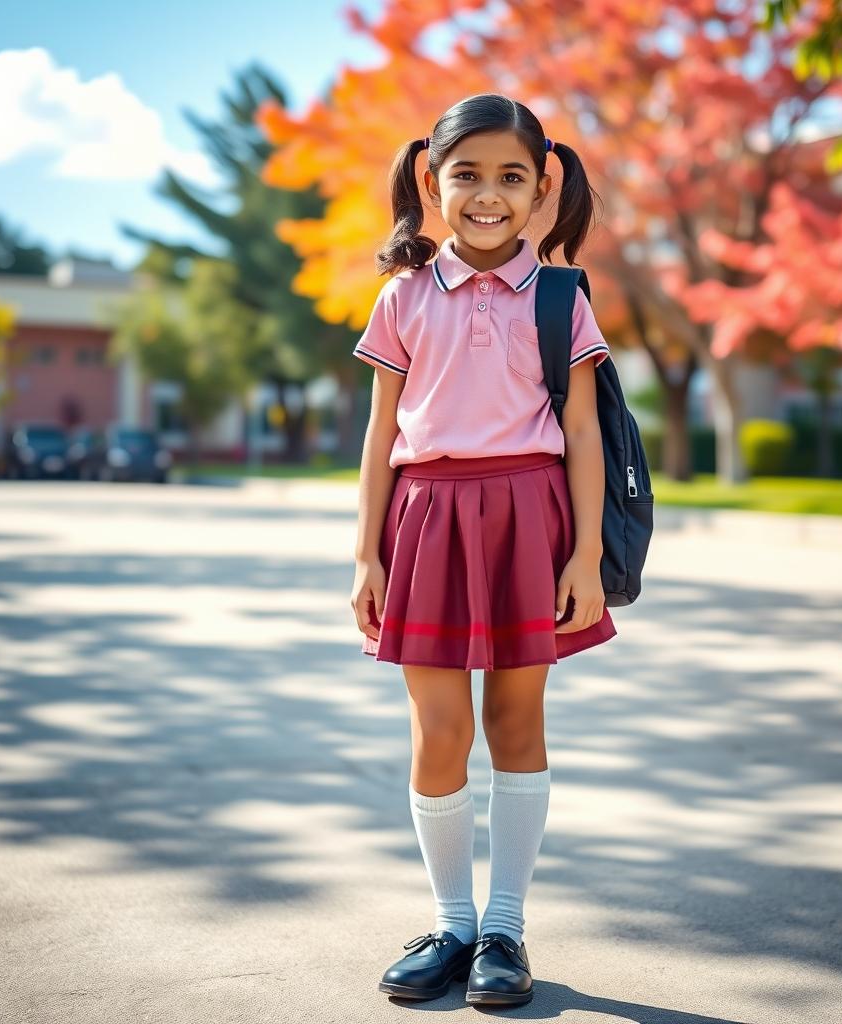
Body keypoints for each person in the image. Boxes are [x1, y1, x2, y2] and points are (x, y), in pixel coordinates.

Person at [350, 92, 617, 1007]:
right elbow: (381, 433)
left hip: (528, 523)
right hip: (423, 523)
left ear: (543, 188)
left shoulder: (561, 298)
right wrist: (365, 555)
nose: (488, 195)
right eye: (467, 175)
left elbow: (582, 434)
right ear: (432, 182)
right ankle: (451, 924)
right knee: (440, 733)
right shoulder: (402, 297)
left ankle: (504, 928)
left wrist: (583, 558)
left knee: (514, 727)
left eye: (512, 177)